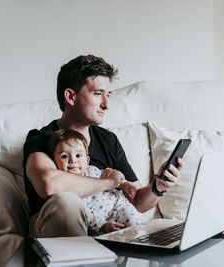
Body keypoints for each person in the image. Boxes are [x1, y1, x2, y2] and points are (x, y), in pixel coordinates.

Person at [23, 54, 183, 237]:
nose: (106, 105)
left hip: (108, 233)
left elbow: (138, 201)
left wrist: (158, 186)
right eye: (98, 94)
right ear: (70, 96)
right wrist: (107, 182)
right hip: (51, 228)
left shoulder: (108, 140)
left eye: (108, 95)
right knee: (67, 202)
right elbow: (49, 185)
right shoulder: (41, 138)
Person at [47, 129, 141, 233]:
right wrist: (103, 225)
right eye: (65, 156)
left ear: (87, 161)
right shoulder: (64, 185)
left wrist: (123, 184)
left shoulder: (93, 170)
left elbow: (112, 177)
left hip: (119, 207)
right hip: (100, 222)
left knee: (133, 227)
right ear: (54, 162)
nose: (73, 160)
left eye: (78, 155)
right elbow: (83, 211)